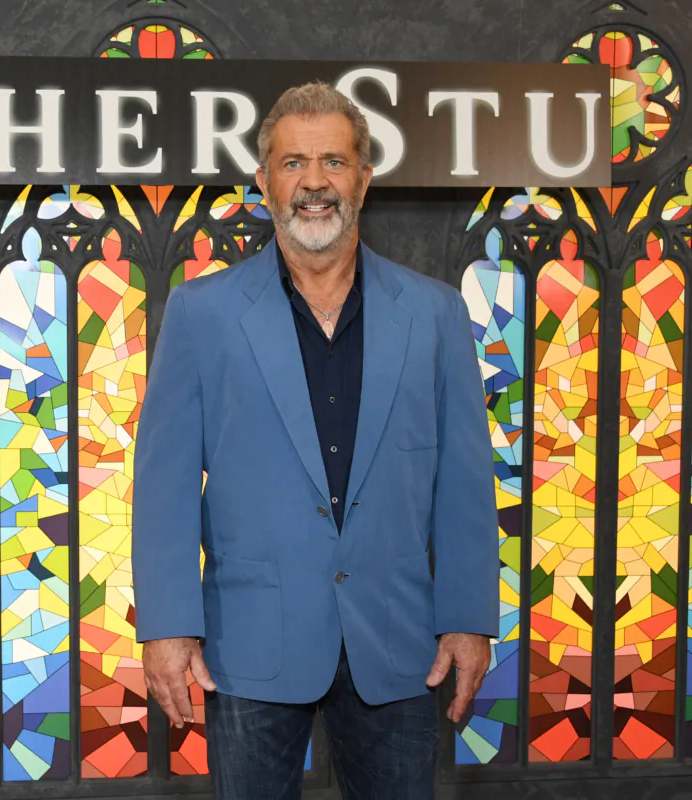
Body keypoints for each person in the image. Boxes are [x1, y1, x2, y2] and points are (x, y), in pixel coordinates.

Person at [131, 82, 498, 799]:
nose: (314, 182)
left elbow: (463, 482)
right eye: (293, 163)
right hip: (248, 643)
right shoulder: (202, 314)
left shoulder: (436, 314)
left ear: (364, 177)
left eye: (334, 161)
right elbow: (164, 485)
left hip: (397, 642)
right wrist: (167, 625)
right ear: (263, 181)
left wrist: (467, 617)